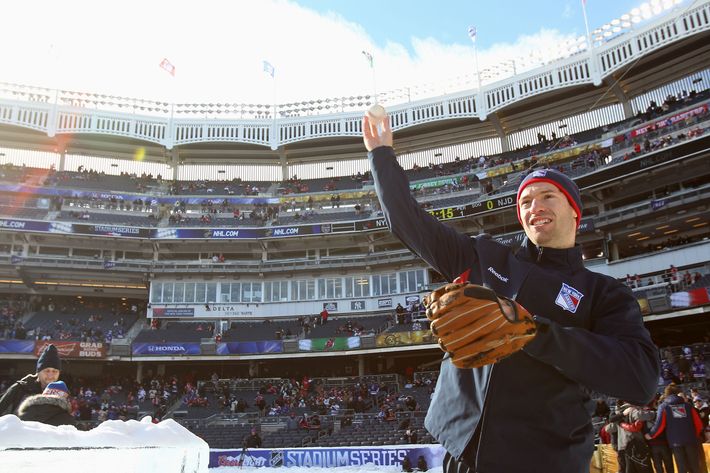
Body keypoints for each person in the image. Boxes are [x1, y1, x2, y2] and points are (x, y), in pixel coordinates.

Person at [362, 115, 659, 473]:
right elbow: (407, 222)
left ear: (574, 211)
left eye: (548, 196)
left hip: (546, 461)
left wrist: (534, 332)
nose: (535, 207)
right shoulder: (484, 255)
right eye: (526, 202)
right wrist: (381, 156)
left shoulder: (603, 292)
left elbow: (640, 379)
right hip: (463, 454)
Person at [646, 384, 703, 473]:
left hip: (675, 442)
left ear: (667, 394)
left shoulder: (664, 407)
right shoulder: (688, 406)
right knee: (695, 467)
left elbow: (660, 425)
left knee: (681, 468)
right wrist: (694, 435)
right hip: (691, 440)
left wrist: (650, 435)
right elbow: (698, 424)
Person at [0, 344, 62, 415]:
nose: (51, 375)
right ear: (38, 372)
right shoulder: (19, 389)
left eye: (55, 371)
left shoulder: (62, 395)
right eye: (47, 370)